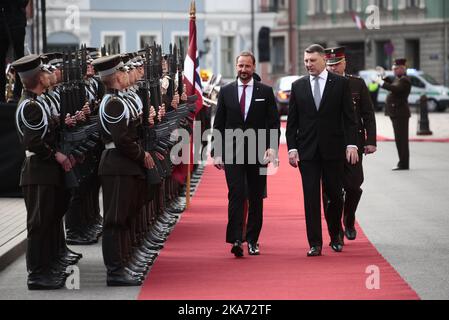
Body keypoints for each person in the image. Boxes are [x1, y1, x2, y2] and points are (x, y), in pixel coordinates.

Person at [13, 54, 80, 290]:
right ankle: (37, 274)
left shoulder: (39, 102)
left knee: (50, 220)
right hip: (38, 172)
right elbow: (33, 142)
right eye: (44, 72)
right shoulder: (30, 106)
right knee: (39, 224)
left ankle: (49, 266)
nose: (49, 75)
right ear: (37, 77)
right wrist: (56, 155)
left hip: (47, 171)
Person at [286, 44, 358, 257]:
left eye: (312, 61)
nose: (308, 64)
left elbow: (349, 118)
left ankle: (335, 235)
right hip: (307, 152)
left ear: (323, 61)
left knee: (335, 195)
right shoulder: (298, 86)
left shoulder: (341, 84)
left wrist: (351, 144)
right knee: (310, 198)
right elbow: (292, 122)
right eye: (306, 61)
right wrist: (292, 148)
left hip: (333, 150)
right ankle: (314, 243)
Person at [93, 54, 155, 286]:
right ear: (116, 75)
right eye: (122, 71)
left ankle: (123, 263)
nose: (126, 74)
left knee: (124, 218)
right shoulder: (113, 102)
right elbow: (122, 139)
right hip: (116, 164)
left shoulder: (118, 100)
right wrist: (142, 155)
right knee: (115, 220)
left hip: (122, 164)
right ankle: (115, 271)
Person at [213, 51, 280, 257]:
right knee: (236, 194)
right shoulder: (225, 91)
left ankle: (252, 240)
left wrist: (272, 147)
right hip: (232, 151)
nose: (243, 70)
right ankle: (235, 239)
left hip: (258, 150)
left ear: (254, 67)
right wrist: (216, 151)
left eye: (247, 66)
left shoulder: (265, 92)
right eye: (240, 66)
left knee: (255, 196)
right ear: (236, 67)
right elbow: (219, 124)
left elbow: (273, 123)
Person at [324, 47, 377, 241]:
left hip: (353, 142)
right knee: (331, 190)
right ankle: (335, 229)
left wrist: (371, 141)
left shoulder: (356, 83)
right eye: (329, 65)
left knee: (354, 186)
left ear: (344, 63)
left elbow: (368, 114)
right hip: (329, 144)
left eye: (336, 64)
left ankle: (349, 217)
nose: (333, 68)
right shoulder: (323, 84)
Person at [376, 58, 412, 171]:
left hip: (400, 113)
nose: (394, 71)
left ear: (402, 68)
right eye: (394, 69)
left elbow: (395, 88)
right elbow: (392, 84)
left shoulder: (405, 80)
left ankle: (403, 164)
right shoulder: (399, 78)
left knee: (401, 140)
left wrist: (381, 83)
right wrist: (383, 76)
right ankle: (402, 162)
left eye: (396, 69)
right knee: (399, 139)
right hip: (397, 112)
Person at [0, 0, 29, 103]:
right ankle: (1, 96)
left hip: (16, 20)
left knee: (19, 59)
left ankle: (17, 93)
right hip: (3, 18)